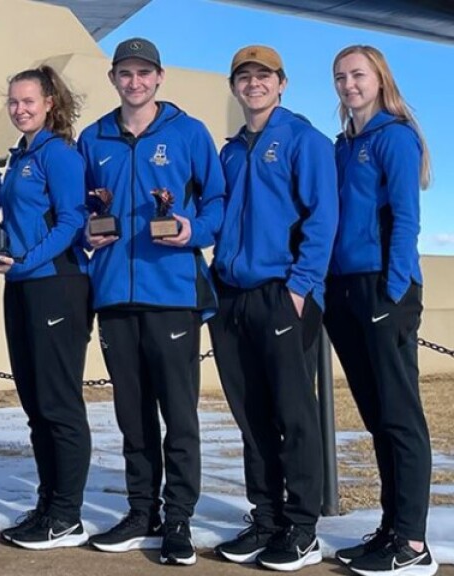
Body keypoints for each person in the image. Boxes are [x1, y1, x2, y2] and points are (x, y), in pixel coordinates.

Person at [76, 38, 225, 565]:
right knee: (132, 415)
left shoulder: (188, 132)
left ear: (159, 77)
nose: (134, 82)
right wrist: (86, 238)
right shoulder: (93, 138)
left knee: (178, 415)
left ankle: (179, 517)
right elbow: (81, 209)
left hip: (173, 293)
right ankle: (143, 512)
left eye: (143, 73)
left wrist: (192, 230)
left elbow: (217, 200)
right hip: (115, 294)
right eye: (125, 73)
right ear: (113, 78)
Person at [209, 46, 338, 572]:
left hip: (281, 293)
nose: (253, 84)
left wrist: (300, 287)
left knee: (293, 415)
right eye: (244, 76)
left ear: (281, 84)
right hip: (232, 297)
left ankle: (302, 527)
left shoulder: (303, 140)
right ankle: (265, 518)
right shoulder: (232, 151)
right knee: (251, 416)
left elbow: (322, 217)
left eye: (263, 76)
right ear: (235, 86)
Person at [324, 45, 437, 576]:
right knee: (377, 419)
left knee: (400, 417)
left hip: (382, 291)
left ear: (380, 78)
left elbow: (407, 221)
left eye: (358, 74)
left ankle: (413, 544)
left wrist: (392, 293)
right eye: (341, 77)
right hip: (344, 291)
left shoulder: (394, 136)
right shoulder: (342, 146)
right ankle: (391, 529)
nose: (350, 84)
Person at [0, 65, 92, 550]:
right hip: (21, 286)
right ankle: (48, 504)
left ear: (49, 103)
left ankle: (67, 514)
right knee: (35, 404)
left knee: (59, 403)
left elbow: (71, 221)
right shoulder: (18, 157)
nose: (20, 109)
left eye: (29, 101)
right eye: (14, 102)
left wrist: (24, 259)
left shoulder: (58, 153)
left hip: (55, 284)